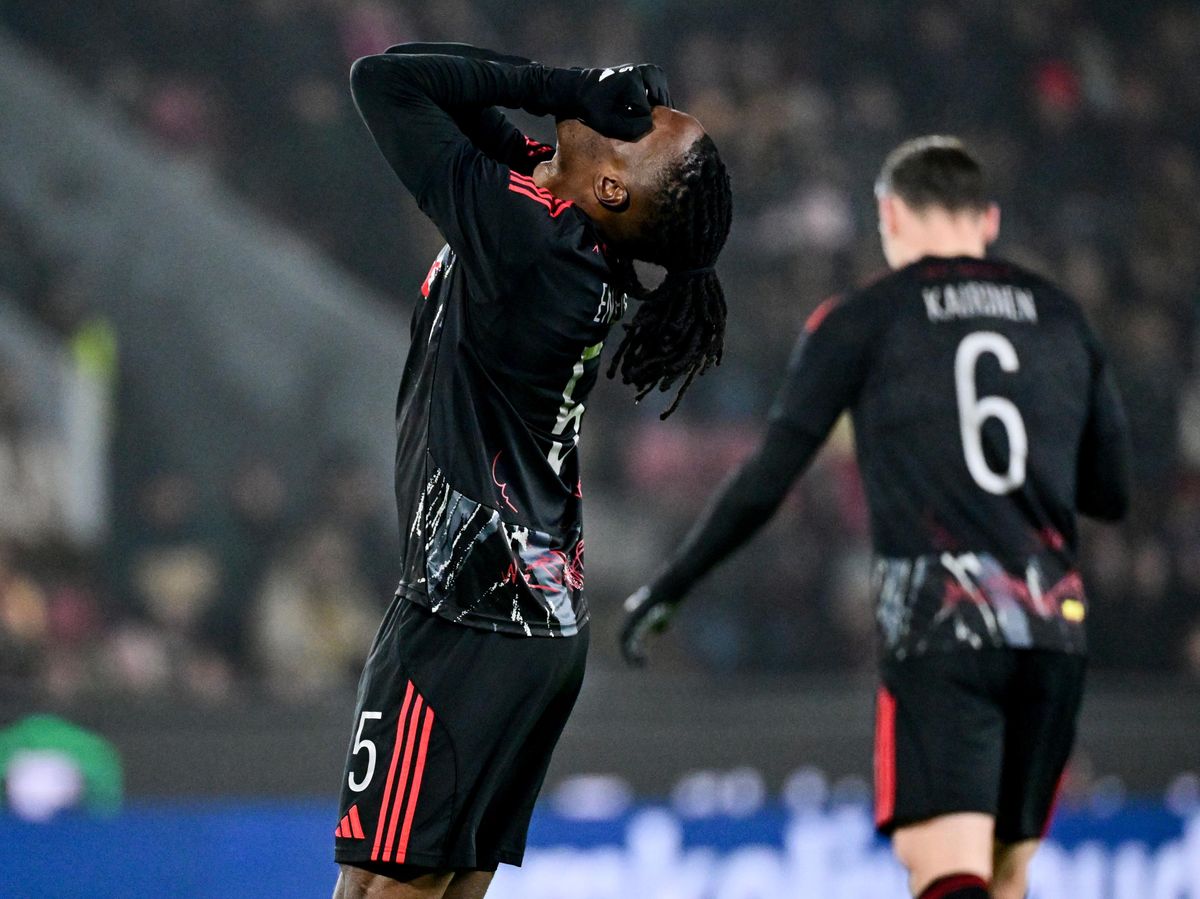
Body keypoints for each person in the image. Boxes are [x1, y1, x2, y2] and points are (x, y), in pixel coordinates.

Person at [620, 136, 1129, 899]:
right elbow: (1110, 491)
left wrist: (673, 582)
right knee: (1007, 875)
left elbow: (769, 478)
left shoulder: (863, 318)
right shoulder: (1062, 318)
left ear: (890, 216)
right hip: (1052, 630)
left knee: (945, 868)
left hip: (943, 625)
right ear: (987, 220)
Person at [332, 43, 732, 899]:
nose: (626, 108)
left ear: (613, 189)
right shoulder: (566, 221)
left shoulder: (532, 240)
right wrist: (572, 98)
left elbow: (386, 80)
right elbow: (458, 101)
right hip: (527, 618)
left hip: (468, 614)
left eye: (640, 126)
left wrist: (564, 86)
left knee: (375, 891)